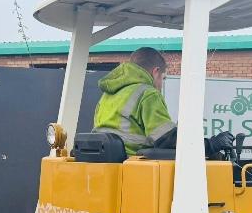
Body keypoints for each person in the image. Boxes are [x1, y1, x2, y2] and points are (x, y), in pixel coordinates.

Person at [93, 47, 234, 156]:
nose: (161, 84)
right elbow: (166, 140)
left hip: (105, 165)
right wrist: (211, 145)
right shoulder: (148, 93)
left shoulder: (108, 94)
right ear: (156, 71)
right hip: (134, 167)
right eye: (163, 78)